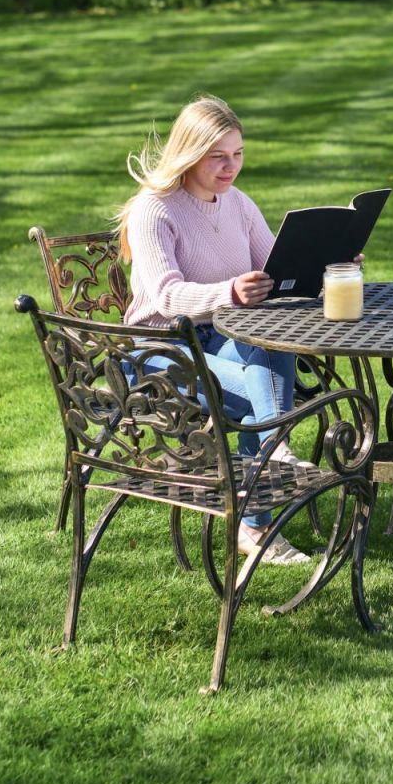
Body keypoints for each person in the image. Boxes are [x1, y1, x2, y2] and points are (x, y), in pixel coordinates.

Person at [117, 93, 312, 566]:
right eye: (218, 156)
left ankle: (269, 459)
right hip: (161, 347)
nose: (231, 167)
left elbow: (276, 268)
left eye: (238, 154)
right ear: (189, 153)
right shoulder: (154, 210)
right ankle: (262, 500)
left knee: (273, 340)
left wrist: (327, 261)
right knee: (259, 399)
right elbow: (165, 297)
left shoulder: (237, 204)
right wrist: (231, 291)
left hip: (223, 336)